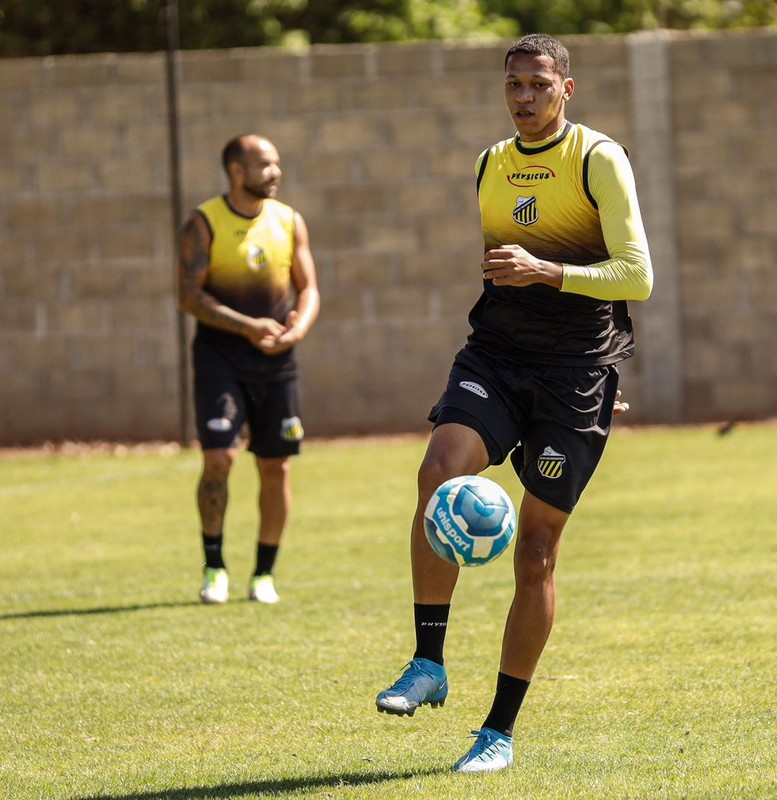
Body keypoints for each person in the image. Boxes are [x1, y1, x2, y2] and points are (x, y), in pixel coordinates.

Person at [374, 34, 653, 773]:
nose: (524, 97)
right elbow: (507, 277)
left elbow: (637, 276)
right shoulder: (490, 164)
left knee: (535, 552)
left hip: (576, 376)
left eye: (538, 84)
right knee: (438, 472)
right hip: (496, 357)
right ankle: (428, 661)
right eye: (513, 85)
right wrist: (526, 276)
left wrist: (548, 271)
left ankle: (497, 732)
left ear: (566, 89)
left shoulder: (598, 159)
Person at [177, 134, 321, 605]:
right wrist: (247, 327)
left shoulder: (289, 221)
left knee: (276, 466)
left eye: (277, 163)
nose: (275, 172)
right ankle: (214, 567)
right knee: (219, 458)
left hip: (277, 360)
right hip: (220, 359)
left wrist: (298, 329)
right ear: (236, 171)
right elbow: (188, 296)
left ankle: (263, 574)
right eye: (265, 164)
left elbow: (309, 288)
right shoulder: (203, 223)